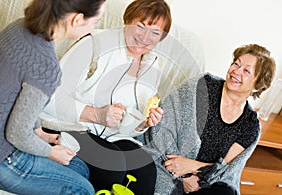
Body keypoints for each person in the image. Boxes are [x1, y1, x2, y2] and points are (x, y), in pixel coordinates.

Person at [39, 0, 172, 194]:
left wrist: (144, 123)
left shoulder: (153, 65)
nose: (145, 38)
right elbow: (49, 97)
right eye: (140, 27)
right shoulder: (94, 43)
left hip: (113, 138)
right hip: (69, 126)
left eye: (155, 33)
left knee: (146, 170)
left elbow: (129, 126)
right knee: (111, 165)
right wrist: (97, 115)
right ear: (127, 21)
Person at [0, 0, 106, 194]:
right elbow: (17, 134)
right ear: (77, 19)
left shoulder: (19, 26)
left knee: (79, 169)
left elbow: (13, 100)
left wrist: (40, 133)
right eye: (95, 21)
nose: (94, 28)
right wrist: (50, 152)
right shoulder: (46, 67)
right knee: (84, 190)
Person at [141, 44, 276, 195]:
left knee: (224, 192)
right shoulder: (202, 87)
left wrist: (193, 167)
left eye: (246, 71)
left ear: (259, 85)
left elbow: (226, 169)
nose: (236, 71)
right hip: (167, 167)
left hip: (208, 182)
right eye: (236, 64)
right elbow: (163, 128)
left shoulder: (249, 125)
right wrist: (184, 176)